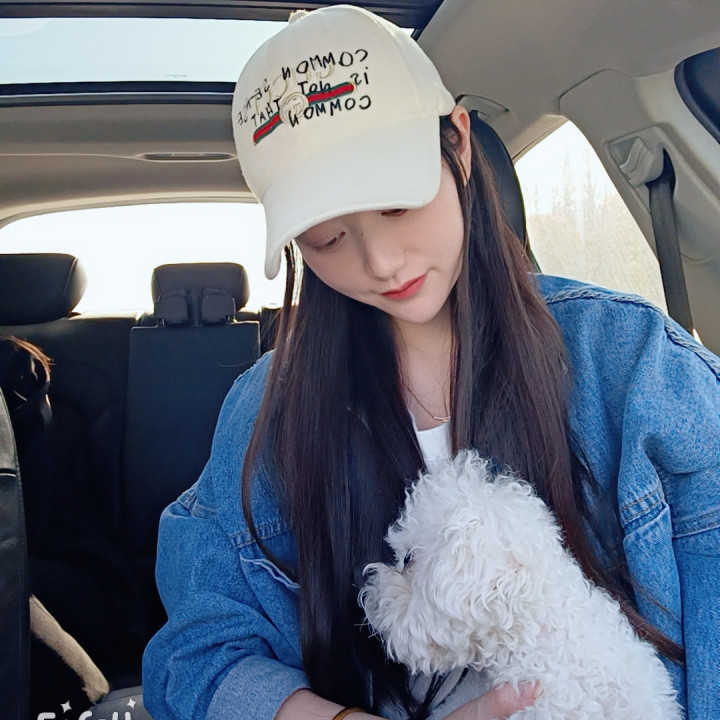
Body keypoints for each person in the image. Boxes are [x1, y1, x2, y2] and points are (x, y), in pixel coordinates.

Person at [141, 6, 720, 720]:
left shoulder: (636, 367)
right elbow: (195, 659)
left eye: (396, 205)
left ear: (460, 143)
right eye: (326, 238)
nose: (381, 262)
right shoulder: (267, 414)